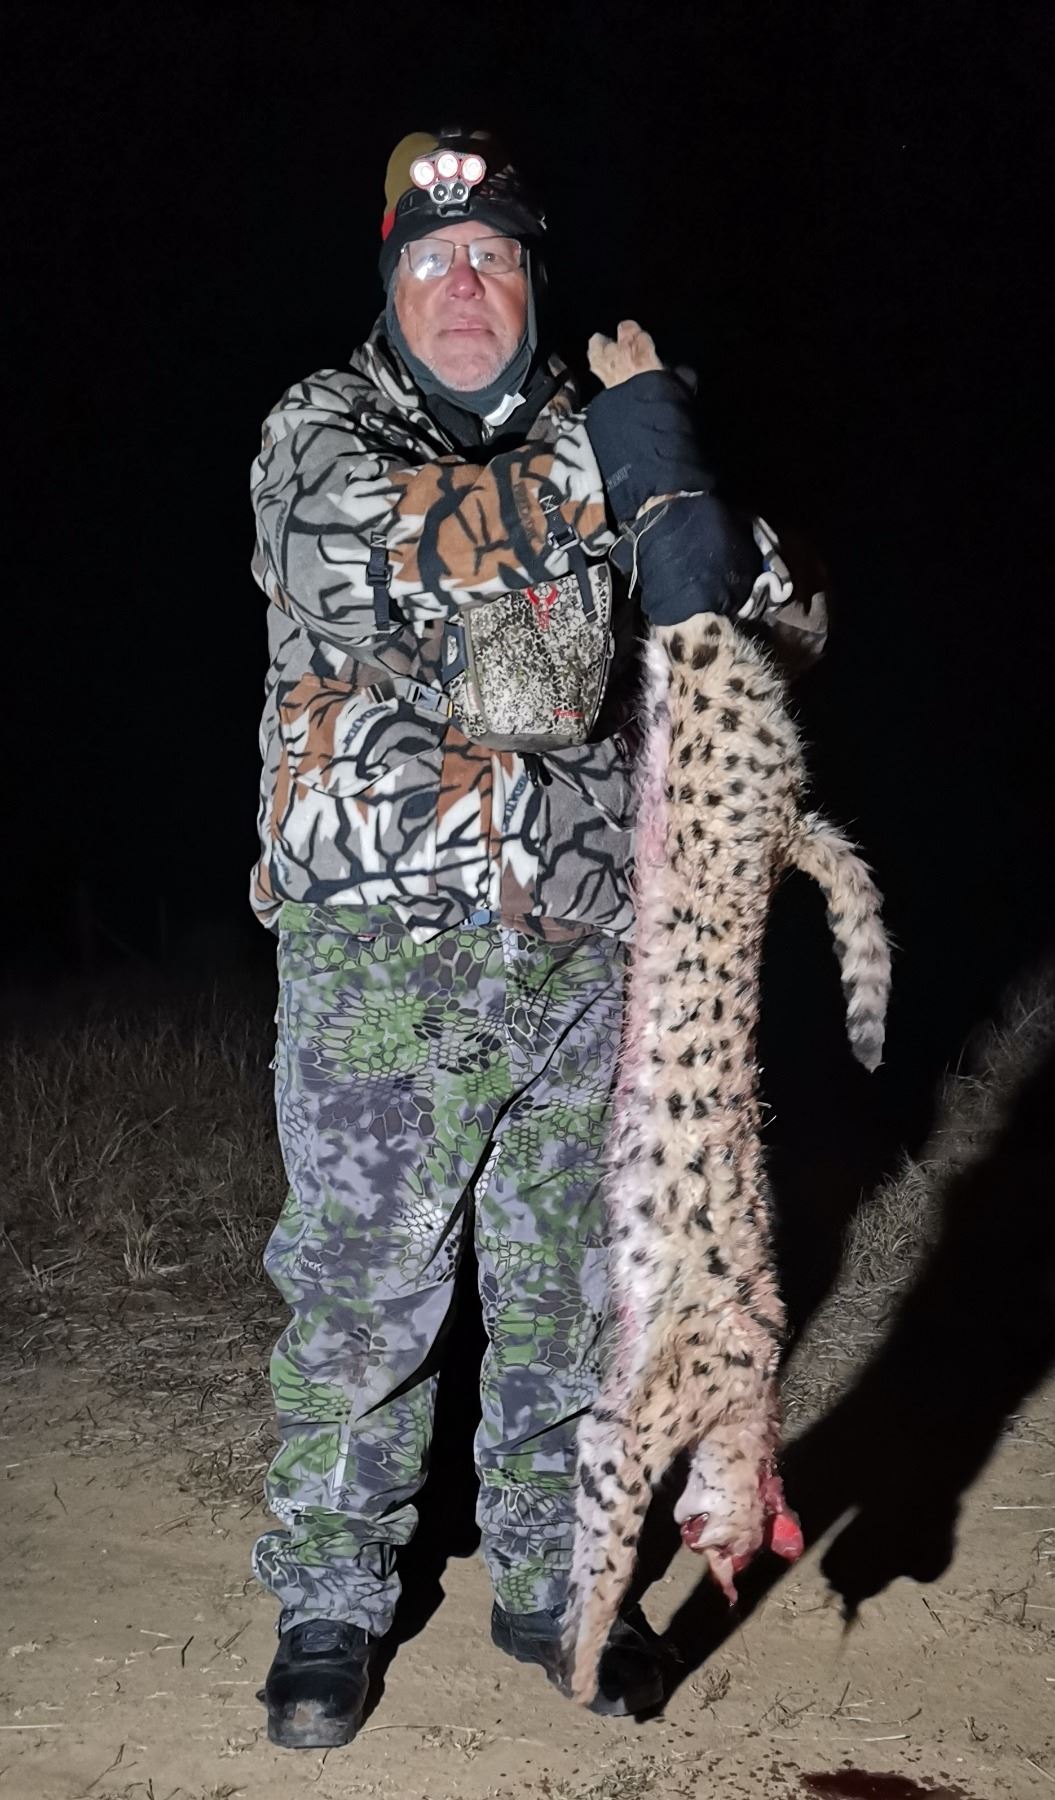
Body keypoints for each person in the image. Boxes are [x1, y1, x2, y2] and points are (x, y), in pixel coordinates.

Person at [249, 126, 818, 1750]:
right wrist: (619, 468)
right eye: (430, 260)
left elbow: (776, 617)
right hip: (380, 958)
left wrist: (695, 507)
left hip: (588, 958)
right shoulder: (319, 430)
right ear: (390, 287)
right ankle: (331, 1599)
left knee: (574, 1298)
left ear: (532, 282)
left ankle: (550, 1577)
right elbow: (377, 551)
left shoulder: (610, 424)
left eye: (492, 257)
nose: (461, 285)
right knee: (364, 1294)